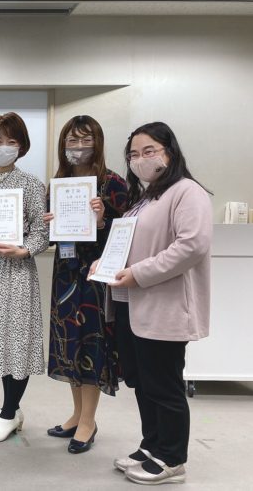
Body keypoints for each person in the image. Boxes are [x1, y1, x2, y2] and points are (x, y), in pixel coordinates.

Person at [91, 122, 212, 485]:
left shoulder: (187, 192)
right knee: (142, 382)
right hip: (132, 303)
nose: (140, 159)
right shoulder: (143, 198)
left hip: (164, 305)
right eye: (133, 154)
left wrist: (137, 273)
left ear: (169, 152)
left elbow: (191, 246)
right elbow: (128, 246)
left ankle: (172, 458)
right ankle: (152, 445)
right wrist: (106, 264)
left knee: (163, 384)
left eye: (149, 151)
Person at [44, 115, 127, 454]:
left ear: (98, 142)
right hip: (65, 273)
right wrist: (50, 223)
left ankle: (89, 422)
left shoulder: (113, 183)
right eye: (71, 141)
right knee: (68, 343)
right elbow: (55, 237)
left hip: (95, 277)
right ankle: (77, 414)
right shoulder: (60, 181)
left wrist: (103, 219)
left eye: (85, 140)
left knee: (91, 342)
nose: (78, 147)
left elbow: (126, 234)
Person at [0, 112, 49, 444]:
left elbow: (41, 233)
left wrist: (25, 250)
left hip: (16, 272)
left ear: (22, 146)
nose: (3, 147)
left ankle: (8, 414)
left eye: (11, 141)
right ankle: (9, 410)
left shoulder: (32, 184)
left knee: (17, 339)